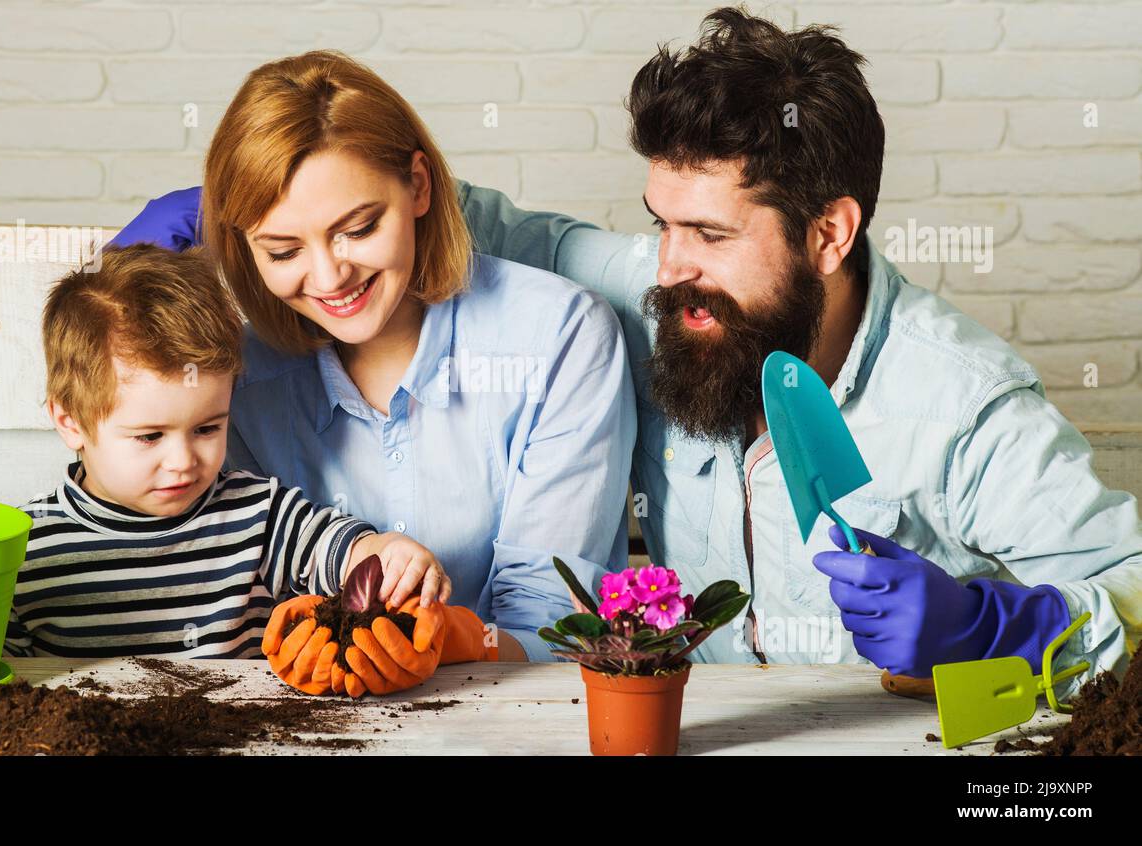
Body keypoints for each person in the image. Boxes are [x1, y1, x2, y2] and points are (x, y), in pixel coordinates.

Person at [116, 9, 1140, 696]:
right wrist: (232, 220)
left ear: (829, 234)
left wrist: (999, 628)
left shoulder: (959, 404)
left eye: (709, 236)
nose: (668, 266)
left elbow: (1130, 598)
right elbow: (453, 221)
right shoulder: (655, 304)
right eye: (659, 223)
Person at [111, 51, 637, 680]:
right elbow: (220, 579)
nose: (331, 277)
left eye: (357, 228)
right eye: (282, 250)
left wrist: (448, 640)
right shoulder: (233, 382)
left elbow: (554, 623)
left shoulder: (560, 337)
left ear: (418, 185)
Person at [4, 244, 452, 668]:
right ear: (70, 422)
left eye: (206, 428)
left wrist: (383, 552)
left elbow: (331, 550)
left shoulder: (256, 514)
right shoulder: (20, 553)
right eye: (149, 437)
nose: (183, 461)